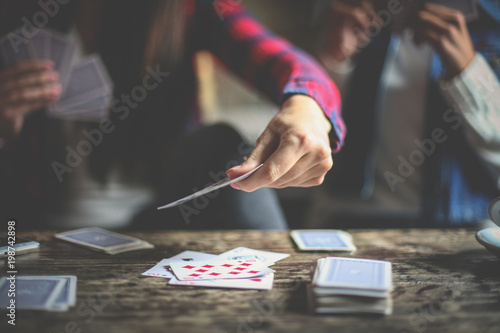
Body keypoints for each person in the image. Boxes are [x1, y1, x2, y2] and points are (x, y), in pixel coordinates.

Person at [0, 0, 345, 230]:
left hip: (157, 223)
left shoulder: (190, 10)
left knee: (220, 143)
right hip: (32, 227)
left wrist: (307, 106)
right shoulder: (20, 15)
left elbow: (289, 64)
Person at [309, 0, 500, 228]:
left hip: (460, 226)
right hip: (348, 215)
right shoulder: (359, 15)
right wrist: (333, 62)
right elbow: (322, 130)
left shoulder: (490, 26)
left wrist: (468, 74)